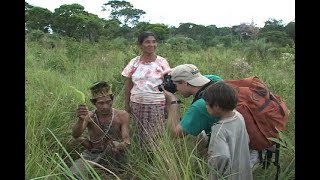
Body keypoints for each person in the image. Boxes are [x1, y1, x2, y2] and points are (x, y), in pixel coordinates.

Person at [162, 64, 260, 169]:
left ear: (185, 83)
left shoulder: (201, 106)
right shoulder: (215, 80)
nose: (175, 88)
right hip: (241, 136)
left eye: (175, 85)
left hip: (229, 153)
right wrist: (177, 72)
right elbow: (192, 77)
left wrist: (173, 101)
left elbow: (175, 134)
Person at [70, 81, 130, 178]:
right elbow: (75, 135)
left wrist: (120, 145)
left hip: (114, 153)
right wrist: (81, 120)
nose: (105, 106)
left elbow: (126, 140)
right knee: (74, 174)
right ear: (94, 103)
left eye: (108, 102)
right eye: (101, 103)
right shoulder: (90, 116)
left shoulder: (122, 115)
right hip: (93, 154)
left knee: (113, 174)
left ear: (112, 99)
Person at [121, 31, 171, 146]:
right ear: (140, 45)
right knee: (139, 132)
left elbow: (168, 85)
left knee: (156, 133)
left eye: (154, 42)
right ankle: (141, 154)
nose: (151, 45)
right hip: (137, 103)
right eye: (147, 42)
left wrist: (168, 106)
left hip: (157, 104)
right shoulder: (134, 62)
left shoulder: (162, 62)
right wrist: (127, 104)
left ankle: (155, 157)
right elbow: (128, 84)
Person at [203, 81, 253, 180]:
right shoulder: (238, 116)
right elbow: (247, 139)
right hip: (244, 172)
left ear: (217, 106)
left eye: (207, 104)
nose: (206, 106)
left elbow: (221, 156)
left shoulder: (219, 129)